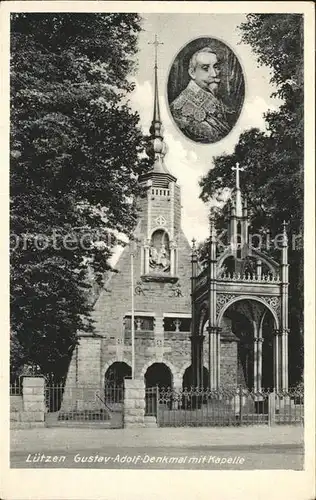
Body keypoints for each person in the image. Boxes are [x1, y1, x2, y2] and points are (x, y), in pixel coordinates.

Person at [170, 47, 232, 144]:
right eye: (205, 68)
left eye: (216, 67)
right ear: (192, 73)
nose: (214, 74)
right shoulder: (177, 110)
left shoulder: (216, 99)